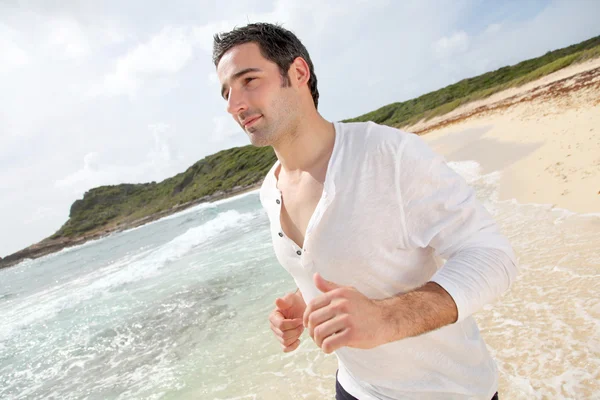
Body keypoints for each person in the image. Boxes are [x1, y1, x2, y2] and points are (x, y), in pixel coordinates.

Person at [212, 22, 516, 400]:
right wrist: (302, 298)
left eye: (248, 80)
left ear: (298, 72)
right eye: (226, 92)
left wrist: (385, 319)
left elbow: (493, 257)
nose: (233, 104)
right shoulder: (268, 190)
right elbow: (345, 257)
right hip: (357, 389)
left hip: (449, 390)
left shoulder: (388, 154)